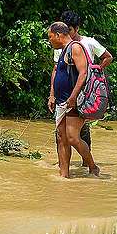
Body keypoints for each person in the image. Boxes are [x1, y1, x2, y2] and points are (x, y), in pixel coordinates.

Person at [47, 21, 99, 178]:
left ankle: (93, 166)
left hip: (74, 101)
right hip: (62, 101)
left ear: (58, 35)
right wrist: (53, 95)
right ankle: (64, 176)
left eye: (50, 37)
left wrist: (73, 96)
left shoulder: (75, 47)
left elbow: (83, 73)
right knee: (61, 138)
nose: (49, 41)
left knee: (72, 137)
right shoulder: (63, 51)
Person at [56, 9, 112, 151]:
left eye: (70, 30)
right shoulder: (60, 44)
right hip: (64, 95)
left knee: (82, 133)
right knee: (61, 135)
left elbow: (108, 57)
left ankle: (88, 165)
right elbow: (55, 70)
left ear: (77, 28)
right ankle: (63, 168)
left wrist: (96, 70)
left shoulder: (89, 42)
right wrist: (52, 94)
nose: (67, 34)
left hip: (84, 94)